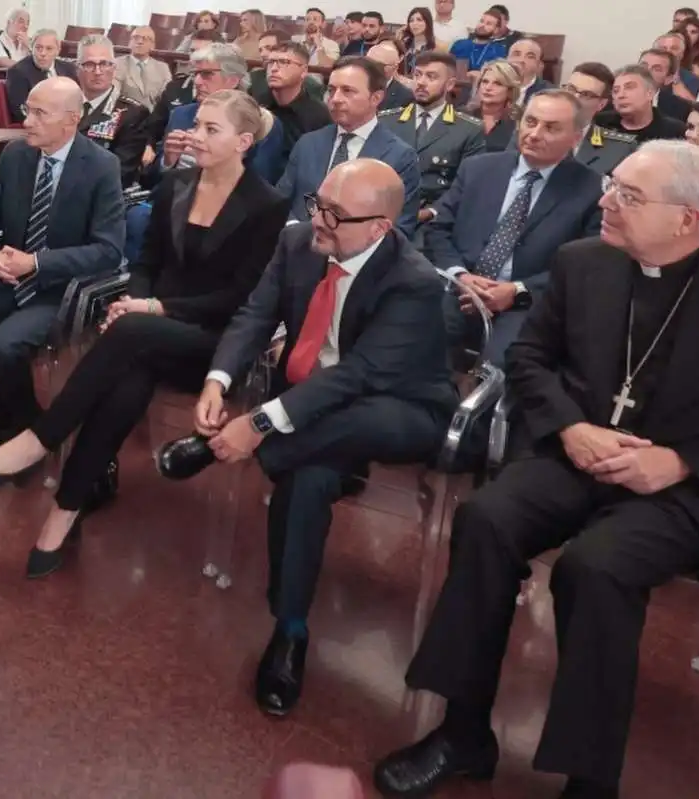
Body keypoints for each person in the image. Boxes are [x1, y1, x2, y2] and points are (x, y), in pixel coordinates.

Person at [374, 140, 699, 799]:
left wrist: (678, 461)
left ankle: (591, 778)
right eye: (611, 184)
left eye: (627, 196)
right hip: (578, 452)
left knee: (596, 566)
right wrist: (571, 426)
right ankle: (463, 730)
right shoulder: (584, 262)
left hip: (688, 486)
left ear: (688, 219)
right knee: (486, 518)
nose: (603, 201)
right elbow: (530, 361)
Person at [157, 158, 459, 717]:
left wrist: (259, 424)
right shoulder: (297, 242)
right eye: (317, 203)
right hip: (309, 407)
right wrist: (218, 381)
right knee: (309, 474)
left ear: (379, 228)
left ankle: (234, 449)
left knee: (326, 428)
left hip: (396, 407)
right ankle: (290, 629)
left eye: (335, 214)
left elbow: (358, 376)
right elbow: (254, 314)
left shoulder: (411, 281)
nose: (317, 219)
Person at [0, 90, 289, 579]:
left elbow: (239, 299)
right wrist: (135, 300)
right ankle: (63, 513)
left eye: (211, 129)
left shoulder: (267, 205)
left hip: (213, 341)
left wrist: (152, 307)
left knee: (131, 336)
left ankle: (41, 439)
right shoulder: (178, 184)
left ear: (243, 142)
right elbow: (145, 265)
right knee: (125, 386)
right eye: (197, 124)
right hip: (149, 329)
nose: (193, 135)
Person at [0, 77, 124, 443]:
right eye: (28, 109)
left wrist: (37, 263)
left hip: (57, 289)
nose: (27, 121)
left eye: (40, 113)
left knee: (3, 347)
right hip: (5, 276)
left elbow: (108, 250)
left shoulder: (102, 166)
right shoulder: (16, 155)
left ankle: (33, 430)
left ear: (71, 119)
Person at [426, 90, 602, 364]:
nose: (534, 133)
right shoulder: (478, 169)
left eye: (551, 128)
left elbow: (586, 265)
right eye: (530, 122)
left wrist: (518, 290)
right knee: (418, 343)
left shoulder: (591, 189)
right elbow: (438, 229)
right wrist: (460, 276)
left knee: (500, 365)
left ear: (576, 138)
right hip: (459, 288)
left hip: (526, 303)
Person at [276, 56, 421, 238]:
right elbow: (280, 202)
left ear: (376, 98)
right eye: (331, 90)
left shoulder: (399, 157)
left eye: (347, 91)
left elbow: (399, 228)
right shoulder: (308, 143)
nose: (335, 99)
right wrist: (297, 233)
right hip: (297, 250)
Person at [157, 44, 286, 185]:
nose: (197, 81)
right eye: (196, 74)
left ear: (233, 80)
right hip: (171, 199)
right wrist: (168, 161)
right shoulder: (180, 114)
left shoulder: (262, 122)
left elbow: (261, 183)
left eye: (207, 74)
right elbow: (150, 179)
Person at [379, 52, 484, 220]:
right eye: (417, 75)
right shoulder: (386, 121)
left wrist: (431, 212)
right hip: (385, 214)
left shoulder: (469, 129)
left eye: (431, 77)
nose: (421, 82)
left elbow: (466, 186)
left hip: (434, 222)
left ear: (449, 85)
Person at [76, 35, 150, 188]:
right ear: (78, 69)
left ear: (114, 68)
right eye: (89, 64)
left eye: (104, 64)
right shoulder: (64, 104)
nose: (98, 71)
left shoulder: (133, 114)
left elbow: (121, 173)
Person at [144, 29, 224, 165]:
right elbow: (154, 125)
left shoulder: (231, 98)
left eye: (204, 52)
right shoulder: (175, 88)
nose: (195, 57)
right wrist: (148, 145)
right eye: (193, 51)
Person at [258, 42, 332, 160]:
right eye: (270, 62)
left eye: (284, 62)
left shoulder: (319, 116)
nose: (274, 69)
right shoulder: (255, 106)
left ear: (304, 71)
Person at [563, 62, 638, 177]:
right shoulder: (534, 132)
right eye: (571, 89)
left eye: (586, 94)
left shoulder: (619, 149)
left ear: (601, 105)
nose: (574, 98)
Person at [595, 64, 686, 143]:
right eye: (616, 91)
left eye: (629, 88)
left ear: (650, 93)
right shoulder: (599, 123)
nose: (621, 95)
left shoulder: (674, 132)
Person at [6, 29, 78, 123]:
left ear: (58, 50)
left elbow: (77, 100)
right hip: (40, 125)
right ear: (32, 48)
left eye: (49, 48)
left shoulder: (69, 69)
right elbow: (21, 111)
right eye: (38, 48)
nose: (43, 53)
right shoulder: (18, 72)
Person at [249, 30, 326, 106]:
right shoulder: (253, 78)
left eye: (269, 48)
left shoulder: (311, 86)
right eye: (260, 50)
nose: (263, 54)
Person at [113, 27, 172, 111]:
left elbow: (166, 96)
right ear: (129, 42)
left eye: (145, 39)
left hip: (153, 118)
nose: (140, 42)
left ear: (153, 45)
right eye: (136, 38)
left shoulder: (162, 68)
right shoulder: (117, 64)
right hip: (126, 115)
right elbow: (114, 94)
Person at [467, 59, 521, 152]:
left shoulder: (518, 123)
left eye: (498, 83)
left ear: (510, 91)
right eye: (485, 81)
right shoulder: (462, 116)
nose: (488, 88)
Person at [638, 48, 693, 122]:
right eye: (643, 66)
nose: (646, 71)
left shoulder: (681, 108)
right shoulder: (618, 99)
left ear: (669, 79)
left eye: (656, 69)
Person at [450, 10, 506, 78]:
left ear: (496, 30)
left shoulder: (499, 50)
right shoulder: (460, 44)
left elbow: (498, 76)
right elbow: (447, 67)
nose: (482, 25)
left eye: (488, 24)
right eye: (481, 21)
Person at [367, 40, 414, 111]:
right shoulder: (352, 84)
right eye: (368, 62)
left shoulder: (405, 96)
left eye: (379, 65)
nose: (371, 68)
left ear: (395, 67)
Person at [654, 31, 699, 98]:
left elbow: (693, 106)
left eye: (674, 48)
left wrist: (676, 83)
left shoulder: (692, 80)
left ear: (682, 54)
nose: (668, 52)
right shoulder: (643, 75)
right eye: (663, 48)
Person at [508, 38, 552, 105]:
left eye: (530, 57)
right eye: (516, 54)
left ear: (539, 65)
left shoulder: (549, 93)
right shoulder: (492, 85)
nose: (521, 60)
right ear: (507, 59)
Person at [397, 7, 436, 79]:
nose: (414, 24)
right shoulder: (404, 44)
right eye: (411, 21)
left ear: (427, 22)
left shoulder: (434, 48)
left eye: (419, 20)